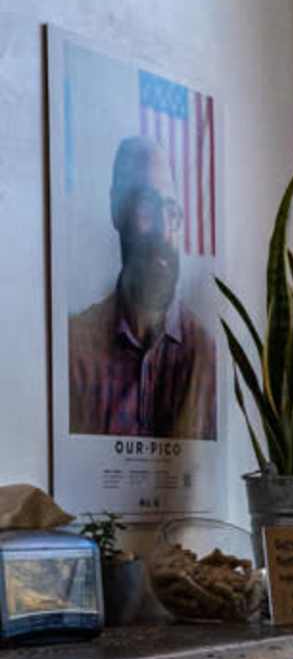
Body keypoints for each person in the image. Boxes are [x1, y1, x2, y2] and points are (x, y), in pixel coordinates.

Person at [67, 137, 215, 441]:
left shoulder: (203, 351)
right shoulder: (76, 347)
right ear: (116, 211)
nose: (163, 228)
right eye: (148, 207)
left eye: (172, 212)